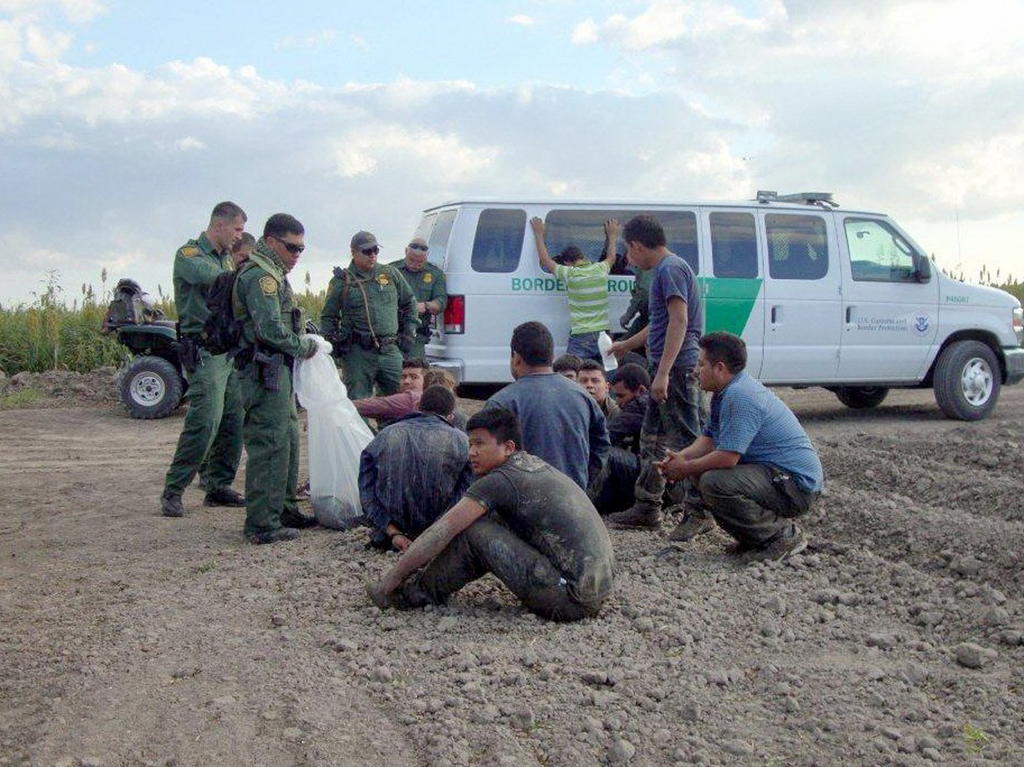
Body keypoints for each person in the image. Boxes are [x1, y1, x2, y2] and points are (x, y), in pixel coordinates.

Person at [365, 408, 615, 621]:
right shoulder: (529, 466)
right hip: (593, 592)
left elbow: (441, 531)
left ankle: (415, 594)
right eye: (470, 443)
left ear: (508, 448)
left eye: (480, 444)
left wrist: (390, 581)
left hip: (569, 599)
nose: (471, 452)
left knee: (474, 531)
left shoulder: (500, 480)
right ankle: (423, 584)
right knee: (486, 525)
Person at [658, 332, 822, 560]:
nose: (696, 370)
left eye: (701, 364)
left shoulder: (740, 395)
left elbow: (727, 458)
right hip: (775, 476)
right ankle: (755, 540)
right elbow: (709, 439)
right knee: (703, 473)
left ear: (720, 368)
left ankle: (781, 537)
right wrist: (681, 458)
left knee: (714, 482)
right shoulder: (724, 393)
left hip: (796, 487)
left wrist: (686, 468)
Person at [605, 214, 704, 534]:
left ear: (636, 245)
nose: (629, 259)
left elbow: (679, 321)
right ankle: (647, 507)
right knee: (653, 442)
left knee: (688, 442)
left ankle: (700, 512)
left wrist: (662, 375)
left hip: (677, 370)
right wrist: (626, 346)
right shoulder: (665, 270)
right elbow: (659, 323)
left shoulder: (670, 269)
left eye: (628, 252)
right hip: (666, 368)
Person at [233, 213, 320, 544]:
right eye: (291, 247)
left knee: (287, 439)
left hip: (276, 371)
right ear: (270, 242)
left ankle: (282, 508)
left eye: (301, 249)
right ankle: (261, 523)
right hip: (262, 371)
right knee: (270, 443)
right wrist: (304, 347)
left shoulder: (274, 274)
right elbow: (269, 329)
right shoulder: (261, 278)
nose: (297, 255)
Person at [160, 201, 247, 518]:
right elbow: (215, 280)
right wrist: (244, 277)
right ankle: (174, 489)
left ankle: (218, 485)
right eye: (237, 229)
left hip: (227, 352)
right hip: (205, 350)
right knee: (205, 421)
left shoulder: (226, 259)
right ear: (220, 225)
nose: (240, 236)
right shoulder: (190, 255)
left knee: (233, 421)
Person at [485, 321, 609, 490]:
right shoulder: (582, 397)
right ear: (551, 356)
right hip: (573, 502)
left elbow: (486, 460)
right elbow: (601, 444)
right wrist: (582, 483)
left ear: (516, 357)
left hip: (522, 505)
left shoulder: (502, 402)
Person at [359, 385, 473, 551]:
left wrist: (393, 532)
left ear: (419, 407)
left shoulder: (384, 436)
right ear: (450, 416)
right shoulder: (463, 442)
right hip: (441, 539)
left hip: (388, 537)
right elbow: (466, 495)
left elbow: (366, 492)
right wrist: (434, 532)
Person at [320, 231, 418, 399]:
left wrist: (409, 332)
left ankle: (392, 427)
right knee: (358, 405)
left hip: (390, 350)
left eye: (375, 250)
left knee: (400, 399)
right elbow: (328, 316)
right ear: (353, 252)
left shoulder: (390, 274)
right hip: (358, 354)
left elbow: (409, 302)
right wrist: (333, 343)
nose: (372, 255)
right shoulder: (342, 281)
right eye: (366, 251)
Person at [531, 217, 619, 361]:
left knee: (572, 371)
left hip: (581, 335)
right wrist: (612, 235)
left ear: (567, 263)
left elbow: (545, 260)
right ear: (582, 257)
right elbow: (612, 256)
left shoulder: (569, 274)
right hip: (603, 333)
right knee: (608, 373)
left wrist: (538, 233)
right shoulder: (600, 269)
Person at [588, 363, 650, 515]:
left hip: (654, 477)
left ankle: (585, 505)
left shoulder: (641, 405)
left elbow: (606, 437)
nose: (619, 402)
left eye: (622, 396)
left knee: (605, 453)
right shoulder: (648, 404)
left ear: (640, 391)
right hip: (653, 475)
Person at [390, 237, 447, 359]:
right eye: (411, 260)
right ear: (406, 251)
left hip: (417, 335)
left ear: (427, 256)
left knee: (415, 371)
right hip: (391, 333)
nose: (415, 264)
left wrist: (426, 305)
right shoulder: (391, 270)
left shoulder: (435, 274)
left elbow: (441, 302)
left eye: (419, 262)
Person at [353, 357, 428, 426]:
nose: (406, 381)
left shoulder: (412, 398)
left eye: (414, 377)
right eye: (403, 377)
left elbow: (376, 405)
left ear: (426, 380)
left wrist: (345, 404)